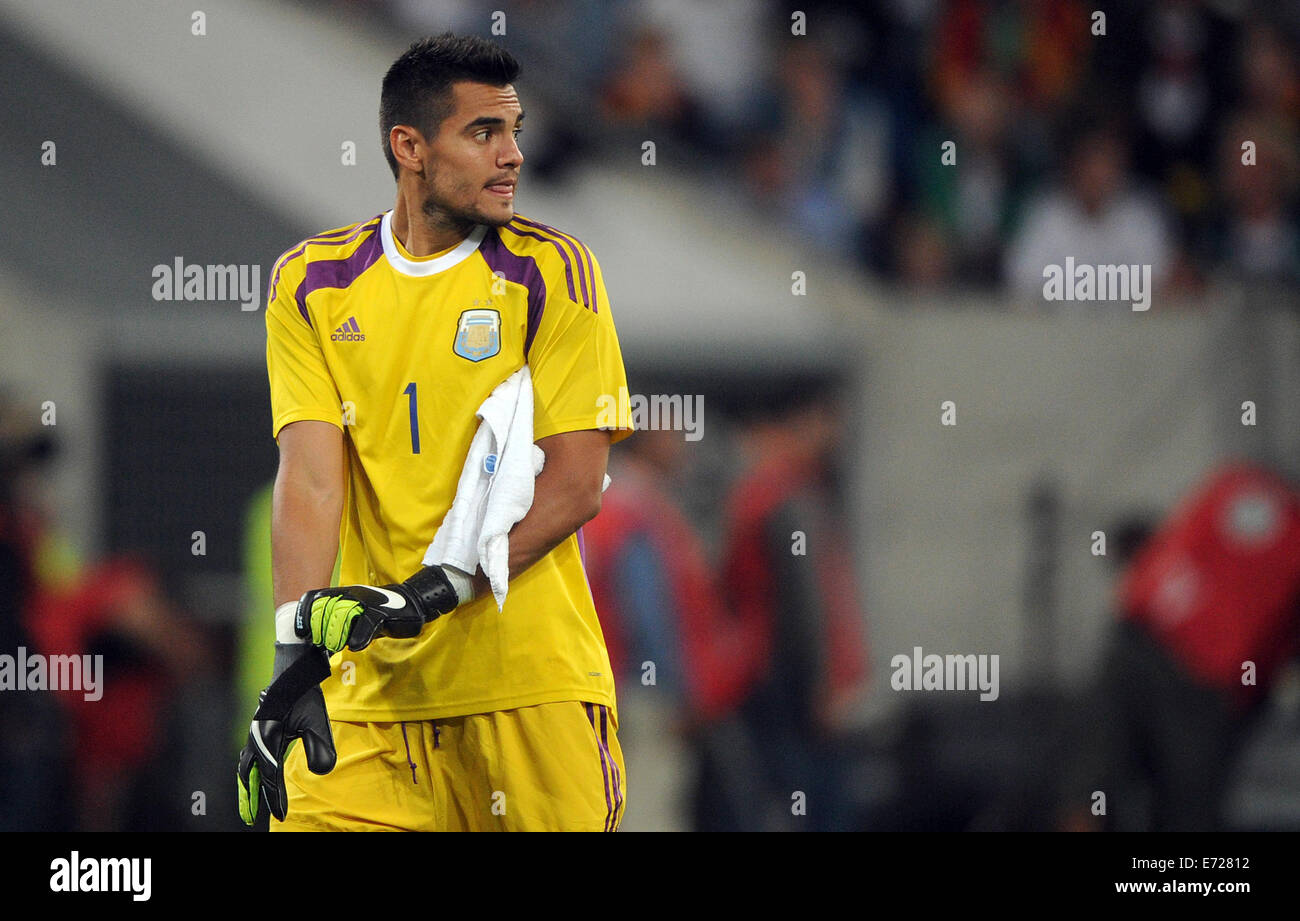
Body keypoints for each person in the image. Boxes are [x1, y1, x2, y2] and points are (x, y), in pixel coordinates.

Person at [236, 33, 633, 831]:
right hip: (368, 699)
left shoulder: (552, 273)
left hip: (529, 690)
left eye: (515, 131)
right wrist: (292, 659)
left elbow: (577, 483)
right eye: (484, 133)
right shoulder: (311, 284)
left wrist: (430, 592)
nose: (512, 155)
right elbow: (312, 480)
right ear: (409, 147)